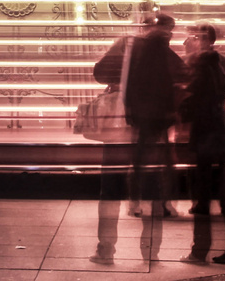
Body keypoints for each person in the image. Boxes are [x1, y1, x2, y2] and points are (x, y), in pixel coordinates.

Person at [92, 13, 185, 264]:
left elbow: (99, 72)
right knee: (151, 190)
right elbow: (184, 78)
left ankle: (106, 250)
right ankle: (150, 252)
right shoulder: (165, 53)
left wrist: (120, 80)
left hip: (119, 128)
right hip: (152, 132)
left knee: (110, 190)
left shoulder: (125, 44)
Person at [181, 24, 225, 264]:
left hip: (203, 126)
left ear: (204, 40)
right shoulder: (223, 61)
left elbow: (191, 95)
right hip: (219, 122)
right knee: (221, 166)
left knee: (202, 176)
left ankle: (199, 250)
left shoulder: (198, 63)